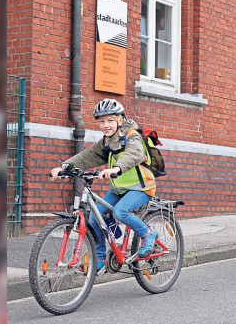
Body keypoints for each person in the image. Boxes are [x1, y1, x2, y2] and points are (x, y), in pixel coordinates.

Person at [50, 98, 158, 272]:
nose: (105, 125)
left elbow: (134, 154)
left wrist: (116, 168)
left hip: (141, 187)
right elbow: (87, 156)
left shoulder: (132, 136)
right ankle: (100, 258)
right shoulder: (106, 142)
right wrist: (63, 167)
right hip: (118, 190)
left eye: (110, 120)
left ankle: (148, 233)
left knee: (120, 211)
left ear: (120, 120)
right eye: (101, 121)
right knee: (95, 217)